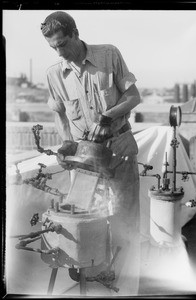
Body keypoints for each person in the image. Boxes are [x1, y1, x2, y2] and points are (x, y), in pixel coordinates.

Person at [41, 11, 141, 285]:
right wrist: (65, 142)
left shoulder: (108, 55)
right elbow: (59, 114)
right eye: (53, 48)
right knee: (84, 220)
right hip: (85, 160)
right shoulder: (54, 75)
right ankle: (95, 278)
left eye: (62, 44)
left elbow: (134, 97)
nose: (59, 53)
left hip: (119, 149)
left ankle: (127, 282)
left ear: (75, 33)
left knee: (124, 221)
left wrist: (107, 116)